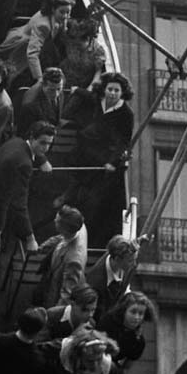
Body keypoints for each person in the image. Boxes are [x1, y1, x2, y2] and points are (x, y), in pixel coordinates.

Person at [0, 121, 56, 291]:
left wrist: (41, 159)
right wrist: (30, 237)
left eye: (49, 144)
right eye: (42, 143)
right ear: (32, 138)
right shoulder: (24, 164)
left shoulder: (15, 142)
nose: (46, 148)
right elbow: (19, 204)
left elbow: (29, 153)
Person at [62, 71, 134, 248]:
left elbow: (124, 142)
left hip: (102, 157)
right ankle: (67, 206)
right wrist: (77, 90)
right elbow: (87, 96)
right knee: (75, 181)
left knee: (92, 198)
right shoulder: (98, 100)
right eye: (110, 89)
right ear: (105, 90)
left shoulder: (126, 114)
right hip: (85, 149)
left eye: (116, 91)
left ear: (122, 93)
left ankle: (83, 232)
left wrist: (112, 161)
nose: (112, 93)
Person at [0, 0, 73, 90]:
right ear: (53, 9)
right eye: (62, 12)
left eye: (68, 12)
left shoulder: (57, 16)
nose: (65, 16)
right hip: (22, 46)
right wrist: (39, 79)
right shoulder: (43, 25)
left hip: (36, 43)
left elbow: (63, 24)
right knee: (11, 72)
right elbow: (32, 54)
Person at [32, 204, 87, 308]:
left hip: (56, 286)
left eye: (57, 221)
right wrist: (43, 246)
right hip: (54, 272)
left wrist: (53, 312)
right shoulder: (78, 227)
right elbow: (62, 237)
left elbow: (66, 293)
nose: (54, 221)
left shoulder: (73, 261)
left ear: (65, 229)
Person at [84, 235, 140, 320]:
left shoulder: (124, 259)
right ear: (117, 259)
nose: (134, 264)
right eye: (130, 261)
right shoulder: (96, 283)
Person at [60, 17, 107, 91]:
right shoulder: (70, 39)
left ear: (88, 39)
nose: (75, 45)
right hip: (65, 80)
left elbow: (98, 72)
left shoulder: (98, 51)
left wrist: (89, 89)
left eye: (79, 44)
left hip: (84, 85)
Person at [17, 65, 65, 137]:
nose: (56, 94)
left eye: (59, 89)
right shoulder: (30, 105)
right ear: (43, 85)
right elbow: (23, 134)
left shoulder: (57, 88)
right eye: (51, 90)